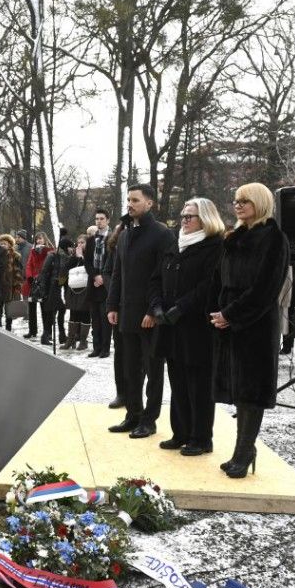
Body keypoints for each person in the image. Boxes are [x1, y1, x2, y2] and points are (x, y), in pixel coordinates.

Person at [209, 183, 289, 478]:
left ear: (260, 203)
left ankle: (244, 452)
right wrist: (218, 313)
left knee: (251, 392)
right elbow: (220, 279)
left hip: (254, 325)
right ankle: (242, 451)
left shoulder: (274, 238)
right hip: (230, 324)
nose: (238, 205)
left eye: (245, 201)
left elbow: (266, 289)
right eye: (235, 200)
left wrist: (230, 314)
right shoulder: (234, 238)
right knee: (238, 391)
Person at [151, 198, 224, 456]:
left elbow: (208, 285)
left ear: (205, 218)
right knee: (178, 380)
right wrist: (157, 305)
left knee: (199, 384)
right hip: (170, 326)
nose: (183, 220)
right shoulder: (176, 244)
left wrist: (181, 307)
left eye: (189, 216)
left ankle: (201, 437)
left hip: (196, 327)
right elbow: (158, 278)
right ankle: (180, 432)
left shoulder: (214, 246)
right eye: (182, 215)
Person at [106, 184, 174, 438]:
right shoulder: (124, 235)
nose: (130, 204)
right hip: (126, 313)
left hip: (150, 316)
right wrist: (112, 305)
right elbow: (117, 275)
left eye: (135, 200)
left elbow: (164, 278)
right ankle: (133, 414)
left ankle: (149, 420)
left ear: (149, 203)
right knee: (129, 368)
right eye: (128, 200)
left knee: (153, 370)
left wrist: (152, 311)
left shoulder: (162, 234)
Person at [103, 224, 126, 408]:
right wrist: (114, 294)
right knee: (120, 352)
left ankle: (135, 394)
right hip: (119, 303)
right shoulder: (117, 246)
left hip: (139, 304)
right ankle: (121, 393)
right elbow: (109, 271)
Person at [85, 209, 112, 358]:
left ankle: (105, 348)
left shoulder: (113, 238)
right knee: (95, 318)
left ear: (107, 220)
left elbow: (113, 261)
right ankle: (96, 347)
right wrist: (95, 276)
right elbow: (87, 262)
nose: (99, 221)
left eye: (102, 218)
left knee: (104, 318)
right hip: (94, 283)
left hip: (107, 284)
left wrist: (103, 277)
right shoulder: (90, 240)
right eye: (97, 219)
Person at [37, 237, 72, 346]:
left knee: (58, 310)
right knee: (52, 311)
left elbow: (64, 274)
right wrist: (43, 289)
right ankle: (48, 335)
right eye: (71, 246)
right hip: (50, 288)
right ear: (66, 247)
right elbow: (44, 272)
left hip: (58, 287)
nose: (72, 249)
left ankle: (59, 335)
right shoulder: (53, 255)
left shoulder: (67, 257)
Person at [61, 234, 91, 350]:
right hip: (73, 289)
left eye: (82, 242)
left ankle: (83, 341)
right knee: (73, 313)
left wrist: (81, 257)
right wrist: (75, 257)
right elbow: (65, 269)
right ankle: (70, 340)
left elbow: (90, 268)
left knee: (85, 313)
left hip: (85, 289)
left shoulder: (90, 255)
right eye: (78, 243)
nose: (80, 245)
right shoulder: (73, 256)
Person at [23, 232, 53, 340]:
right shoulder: (33, 251)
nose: (38, 241)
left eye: (40, 239)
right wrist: (30, 277)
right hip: (33, 282)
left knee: (44, 308)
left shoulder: (50, 251)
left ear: (44, 239)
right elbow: (29, 265)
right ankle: (32, 330)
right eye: (36, 239)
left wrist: (43, 251)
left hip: (44, 282)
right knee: (31, 307)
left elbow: (47, 265)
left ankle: (47, 332)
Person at [0, 234, 24, 331]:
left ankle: (8, 327)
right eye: (0, 244)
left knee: (9, 310)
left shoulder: (15, 256)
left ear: (9, 245)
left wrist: (17, 286)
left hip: (10, 287)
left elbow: (18, 272)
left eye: (4, 244)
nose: (2, 245)